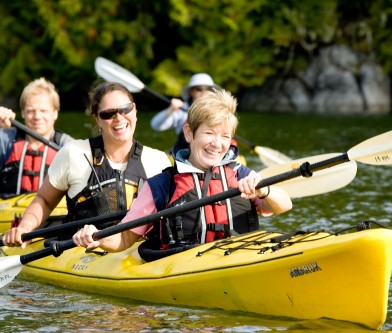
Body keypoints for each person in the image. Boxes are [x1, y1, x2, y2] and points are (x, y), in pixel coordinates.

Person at [73, 89, 292, 260]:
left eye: (225, 136)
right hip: (183, 266)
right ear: (188, 133)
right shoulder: (162, 186)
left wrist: (265, 190)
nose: (217, 144)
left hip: (237, 259)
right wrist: (97, 238)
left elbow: (284, 205)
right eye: (209, 133)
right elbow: (125, 237)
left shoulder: (240, 174)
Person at [2, 81, 172, 247]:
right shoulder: (73, 153)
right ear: (96, 119)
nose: (119, 118)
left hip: (140, 250)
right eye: (108, 114)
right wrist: (24, 227)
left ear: (134, 110)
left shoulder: (158, 161)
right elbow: (45, 200)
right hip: (81, 250)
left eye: (125, 109)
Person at [0, 77, 74, 198]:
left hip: (51, 213)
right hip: (6, 211)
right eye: (31, 111)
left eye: (43, 111)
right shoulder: (5, 140)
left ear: (55, 113)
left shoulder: (67, 145)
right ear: (23, 113)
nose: (37, 116)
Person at [150, 73, 219, 154]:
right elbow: (155, 125)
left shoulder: (218, 111)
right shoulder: (181, 109)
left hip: (212, 150)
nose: (204, 93)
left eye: (208, 89)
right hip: (185, 151)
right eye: (199, 89)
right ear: (192, 92)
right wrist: (171, 109)